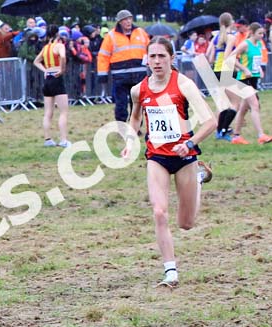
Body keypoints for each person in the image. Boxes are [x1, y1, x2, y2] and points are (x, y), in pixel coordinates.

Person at [122, 36, 215, 289]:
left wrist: (191, 143)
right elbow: (134, 119)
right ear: (147, 60)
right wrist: (130, 142)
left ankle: (197, 180)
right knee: (159, 212)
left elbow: (210, 121)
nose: (157, 61)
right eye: (152, 56)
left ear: (172, 59)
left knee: (186, 224)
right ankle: (170, 272)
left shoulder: (184, 84)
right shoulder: (138, 90)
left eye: (162, 56)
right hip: (157, 157)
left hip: (185, 158)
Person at [97, 10, 149, 122]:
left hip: (139, 75)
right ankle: (121, 126)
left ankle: (135, 127)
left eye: (130, 18)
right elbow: (103, 56)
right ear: (120, 22)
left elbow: (149, 50)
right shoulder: (111, 36)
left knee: (137, 104)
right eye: (125, 19)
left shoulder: (141, 32)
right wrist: (102, 75)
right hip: (120, 76)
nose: (128, 21)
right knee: (121, 104)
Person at [226, 23, 272, 145]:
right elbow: (230, 58)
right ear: (251, 32)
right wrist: (244, 69)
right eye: (259, 33)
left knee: (244, 109)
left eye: (263, 33)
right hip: (244, 79)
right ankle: (261, 135)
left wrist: (259, 70)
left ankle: (236, 136)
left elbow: (255, 61)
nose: (262, 36)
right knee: (255, 105)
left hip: (253, 79)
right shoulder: (245, 44)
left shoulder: (258, 45)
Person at [34, 25, 70, 147]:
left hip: (48, 77)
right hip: (56, 77)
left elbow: (36, 61)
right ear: (57, 34)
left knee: (48, 112)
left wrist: (45, 70)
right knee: (63, 112)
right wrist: (62, 69)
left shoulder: (45, 48)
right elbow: (63, 57)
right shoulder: (59, 46)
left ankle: (47, 139)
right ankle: (64, 139)